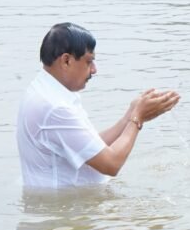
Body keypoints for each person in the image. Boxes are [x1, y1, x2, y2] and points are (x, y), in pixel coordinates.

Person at [17, 22, 180, 190]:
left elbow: (92, 147)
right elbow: (111, 164)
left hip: (65, 202)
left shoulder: (45, 90)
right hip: (70, 209)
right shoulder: (55, 108)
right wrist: (137, 119)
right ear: (66, 61)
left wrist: (129, 116)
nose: (94, 70)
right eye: (89, 62)